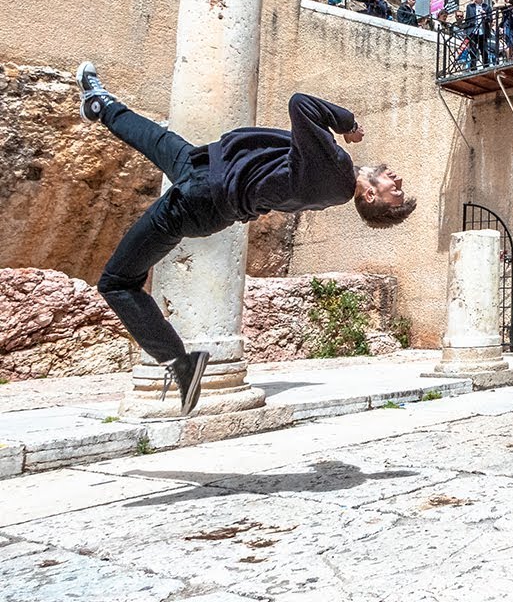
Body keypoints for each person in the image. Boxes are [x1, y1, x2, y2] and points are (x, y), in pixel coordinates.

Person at [78, 62, 414, 417]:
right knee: (158, 139)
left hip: (203, 197)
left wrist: (348, 124)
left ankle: (179, 363)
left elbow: (301, 104)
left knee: (117, 282)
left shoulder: (334, 172)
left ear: (372, 198)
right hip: (208, 168)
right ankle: (101, 106)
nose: (398, 179)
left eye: (397, 191)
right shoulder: (333, 181)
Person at [462, 0, 492, 70]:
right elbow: (467, 20)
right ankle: (473, 68)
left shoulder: (487, 7)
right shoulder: (469, 7)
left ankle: (486, 66)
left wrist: (485, 16)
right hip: (473, 31)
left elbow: (490, 19)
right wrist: (467, 32)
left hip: (483, 31)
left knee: (484, 50)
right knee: (472, 50)